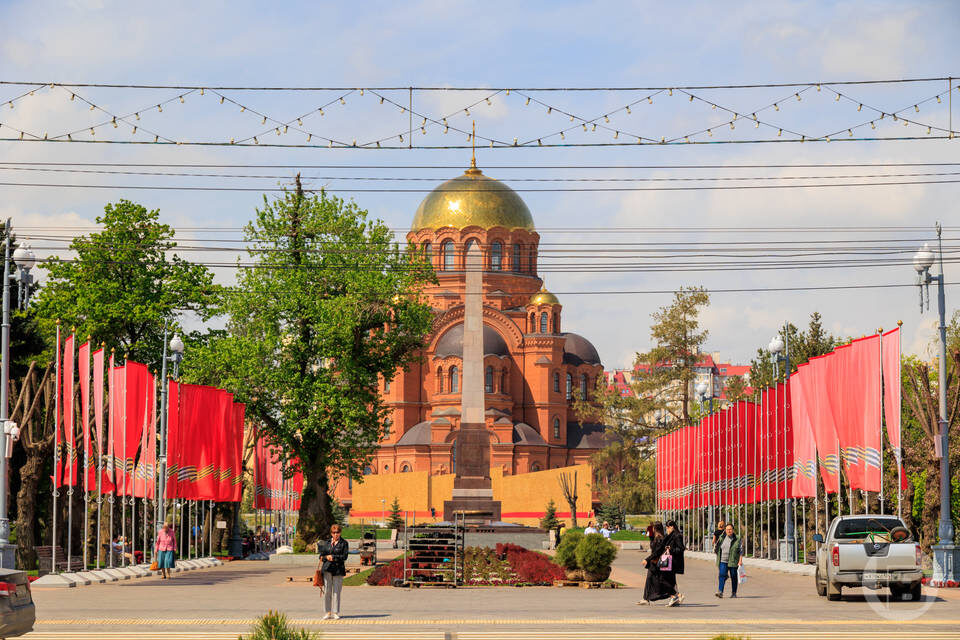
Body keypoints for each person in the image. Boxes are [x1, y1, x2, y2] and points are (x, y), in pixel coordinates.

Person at [637, 522, 678, 606]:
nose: (651, 529)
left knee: (660, 581)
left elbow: (657, 552)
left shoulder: (660, 539)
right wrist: (650, 536)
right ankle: (646, 598)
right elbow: (653, 547)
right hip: (653, 563)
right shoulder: (655, 538)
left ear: (656, 529)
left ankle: (674, 594)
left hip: (657, 563)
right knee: (649, 579)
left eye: (652, 528)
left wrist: (647, 559)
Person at [318, 524, 350, 620]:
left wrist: (334, 557)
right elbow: (321, 556)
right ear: (331, 533)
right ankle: (328, 612)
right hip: (327, 570)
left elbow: (344, 557)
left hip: (338, 570)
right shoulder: (326, 543)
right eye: (334, 532)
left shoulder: (344, 543)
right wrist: (326, 557)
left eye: (338, 532)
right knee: (327, 591)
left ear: (340, 533)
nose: (336, 534)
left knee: (336, 592)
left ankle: (335, 612)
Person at [714, 523, 743, 598]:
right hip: (723, 560)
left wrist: (740, 561)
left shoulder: (737, 538)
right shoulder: (722, 537)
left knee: (733, 577)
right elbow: (717, 547)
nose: (729, 531)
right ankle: (720, 591)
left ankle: (734, 593)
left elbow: (741, 550)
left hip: (733, 561)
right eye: (727, 529)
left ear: (733, 530)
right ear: (725, 530)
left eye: (730, 529)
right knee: (722, 575)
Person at [663, 520, 686, 606]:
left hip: (674, 561)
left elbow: (681, 548)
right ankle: (676, 596)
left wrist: (671, 549)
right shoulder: (671, 535)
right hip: (671, 561)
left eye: (667, 528)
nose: (667, 530)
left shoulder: (677, 535)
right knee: (672, 580)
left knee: (667, 579)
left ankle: (676, 596)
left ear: (672, 527)